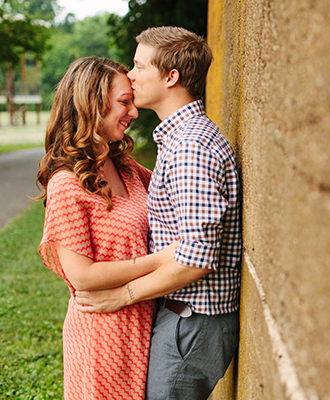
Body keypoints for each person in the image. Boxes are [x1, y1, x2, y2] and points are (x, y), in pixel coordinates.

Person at [75, 27, 242, 400]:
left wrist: (123, 296)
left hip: (193, 321)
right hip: (185, 318)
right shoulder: (179, 140)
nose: (130, 75)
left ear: (171, 77)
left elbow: (196, 257)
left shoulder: (190, 148)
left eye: (138, 66)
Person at [37, 56, 176, 399]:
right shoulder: (66, 184)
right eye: (124, 102)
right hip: (103, 334)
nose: (133, 112)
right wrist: (161, 260)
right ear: (93, 105)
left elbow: (173, 190)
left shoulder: (126, 167)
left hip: (145, 324)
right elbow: (82, 275)